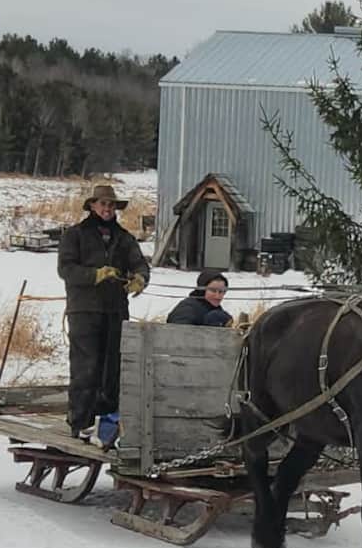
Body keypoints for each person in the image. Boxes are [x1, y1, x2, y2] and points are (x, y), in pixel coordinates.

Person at [58, 182, 150, 441]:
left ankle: (106, 424)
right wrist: (94, 275)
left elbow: (140, 264)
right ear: (92, 206)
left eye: (111, 204)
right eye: (103, 204)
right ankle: (80, 421)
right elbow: (65, 270)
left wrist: (140, 279)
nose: (107, 208)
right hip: (84, 310)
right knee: (86, 366)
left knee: (113, 368)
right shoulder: (74, 235)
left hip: (115, 310)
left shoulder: (124, 237)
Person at [166, 269, 232, 327]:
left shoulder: (213, 307)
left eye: (221, 291)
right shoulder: (187, 308)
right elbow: (178, 334)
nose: (217, 296)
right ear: (202, 290)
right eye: (213, 291)